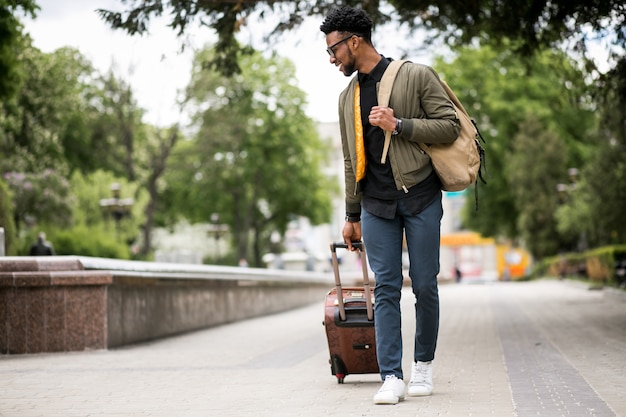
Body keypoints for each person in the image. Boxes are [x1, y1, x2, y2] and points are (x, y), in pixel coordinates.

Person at [320, 7, 460, 405]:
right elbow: (350, 160)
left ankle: (424, 366)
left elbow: (449, 125)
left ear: (354, 41)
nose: (332, 59)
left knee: (426, 283)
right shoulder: (347, 97)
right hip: (375, 204)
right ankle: (391, 375)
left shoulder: (414, 76)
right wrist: (350, 215)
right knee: (384, 287)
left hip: (420, 196)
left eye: (333, 50)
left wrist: (399, 125)